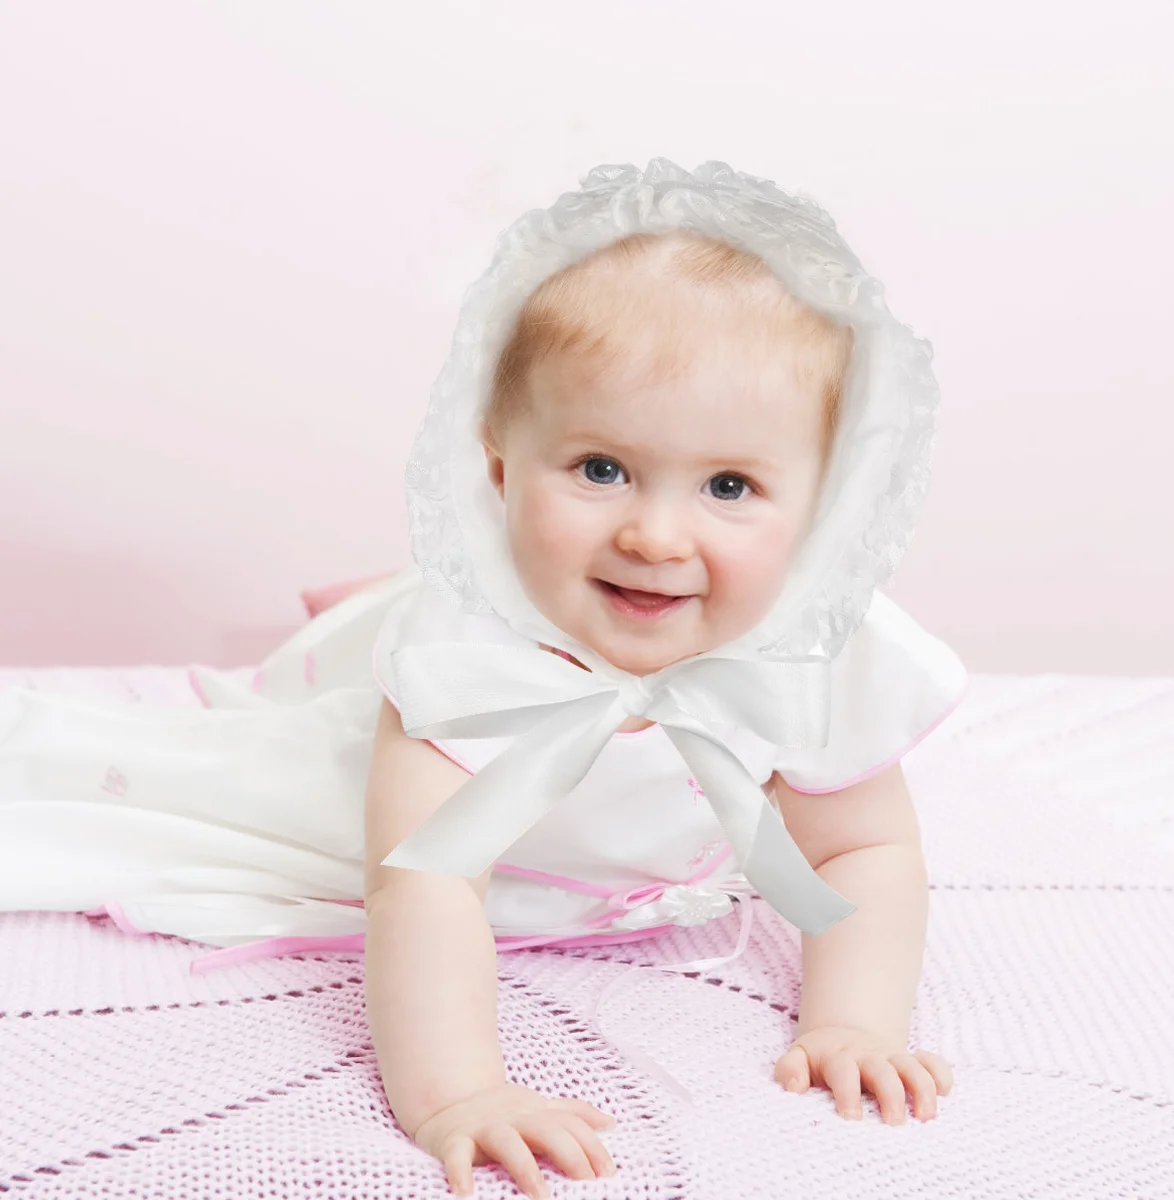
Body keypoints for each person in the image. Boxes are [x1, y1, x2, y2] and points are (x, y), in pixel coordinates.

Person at [0, 160, 968, 1199]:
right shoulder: (474, 660)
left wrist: (854, 1021)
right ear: (501, 469)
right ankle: (358, 640)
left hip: (615, 858)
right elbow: (425, 875)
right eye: (601, 470)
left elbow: (864, 845)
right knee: (175, 786)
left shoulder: (817, 646)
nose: (653, 533)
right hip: (391, 818)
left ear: (823, 513)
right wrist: (457, 1091)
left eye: (731, 486)